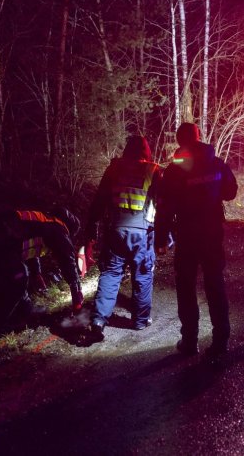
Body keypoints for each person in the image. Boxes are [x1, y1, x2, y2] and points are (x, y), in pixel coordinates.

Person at [155, 122, 237, 364]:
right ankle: (221, 340)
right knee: (215, 284)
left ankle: (190, 341)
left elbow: (165, 208)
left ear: (180, 141)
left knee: (186, 286)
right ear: (198, 137)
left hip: (188, 234)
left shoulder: (174, 170)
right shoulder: (216, 162)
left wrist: (160, 237)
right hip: (212, 232)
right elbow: (230, 192)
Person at [84, 135, 162, 340]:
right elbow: (163, 204)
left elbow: (99, 201)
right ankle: (139, 320)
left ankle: (98, 320)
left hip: (116, 231)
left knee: (110, 274)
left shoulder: (114, 169)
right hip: (143, 233)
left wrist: (91, 229)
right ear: (146, 151)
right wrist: (165, 234)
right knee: (143, 275)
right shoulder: (153, 171)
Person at [0, 207, 84, 327]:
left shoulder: (44, 222)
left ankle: (25, 311)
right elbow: (67, 259)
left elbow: (31, 248)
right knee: (19, 277)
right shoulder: (57, 227)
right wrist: (76, 290)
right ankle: (0, 324)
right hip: (0, 234)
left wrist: (36, 273)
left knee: (17, 276)